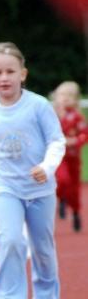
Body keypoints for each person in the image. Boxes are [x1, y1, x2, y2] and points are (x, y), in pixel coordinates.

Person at [0, 42, 66, 299]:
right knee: (10, 239)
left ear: (23, 73)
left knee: (43, 248)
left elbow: (56, 141)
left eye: (10, 71)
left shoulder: (38, 106)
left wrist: (46, 168)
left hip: (40, 189)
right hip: (5, 187)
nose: (4, 77)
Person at [52, 81, 88, 231]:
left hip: (74, 159)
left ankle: (75, 212)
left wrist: (75, 141)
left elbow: (84, 134)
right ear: (56, 97)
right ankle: (61, 198)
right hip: (58, 158)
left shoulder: (77, 117)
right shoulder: (52, 116)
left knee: (74, 189)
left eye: (70, 96)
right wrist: (60, 141)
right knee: (62, 180)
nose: (66, 98)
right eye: (62, 95)